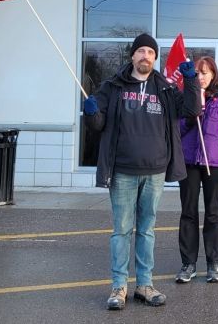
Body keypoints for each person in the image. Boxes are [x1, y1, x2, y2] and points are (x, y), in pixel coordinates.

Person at [83, 33, 200, 311]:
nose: (145, 55)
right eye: (141, 51)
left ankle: (144, 285)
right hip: (123, 170)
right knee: (122, 230)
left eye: (150, 52)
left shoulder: (166, 89)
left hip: (155, 171)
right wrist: (90, 113)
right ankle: (119, 287)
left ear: (155, 58)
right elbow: (98, 124)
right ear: (132, 55)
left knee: (147, 230)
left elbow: (193, 110)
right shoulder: (113, 86)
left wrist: (192, 80)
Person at [175, 57, 218, 284]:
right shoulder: (185, 97)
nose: (201, 77)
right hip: (190, 162)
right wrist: (191, 119)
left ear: (213, 75)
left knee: (213, 213)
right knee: (188, 212)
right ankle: (188, 263)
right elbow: (177, 130)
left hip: (216, 163)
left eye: (205, 73)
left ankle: (213, 263)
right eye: (197, 73)